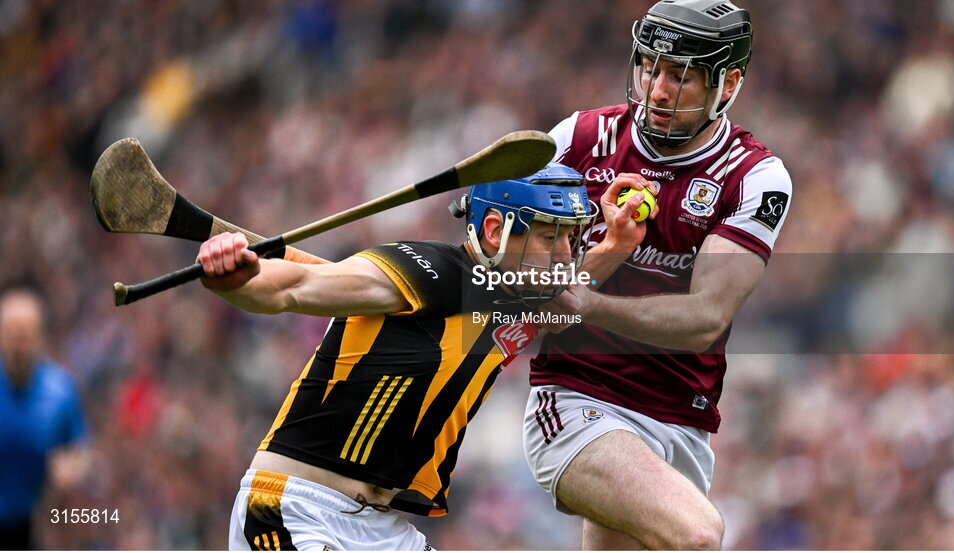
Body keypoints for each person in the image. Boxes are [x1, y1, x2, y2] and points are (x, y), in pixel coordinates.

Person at [198, 162, 612, 550]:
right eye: (549, 236)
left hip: (380, 528)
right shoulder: (429, 272)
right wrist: (237, 282)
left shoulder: (516, 299)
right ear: (493, 231)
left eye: (570, 237)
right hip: (296, 511)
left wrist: (617, 242)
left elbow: (570, 302)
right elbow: (295, 286)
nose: (563, 255)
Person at [522, 1, 794, 549]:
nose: (657, 90)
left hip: (680, 419)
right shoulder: (578, 141)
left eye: (680, 76)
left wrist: (591, 303)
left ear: (729, 82)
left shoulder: (753, 177)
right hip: (578, 399)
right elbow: (519, 296)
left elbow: (704, 318)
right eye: (648, 66)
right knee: (696, 535)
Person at [0, 289, 89, 550]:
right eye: (13, 336)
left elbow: (79, 447)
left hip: (38, 520)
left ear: (40, 336)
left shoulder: (60, 391)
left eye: (26, 336)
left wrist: (70, 469)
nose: (19, 346)